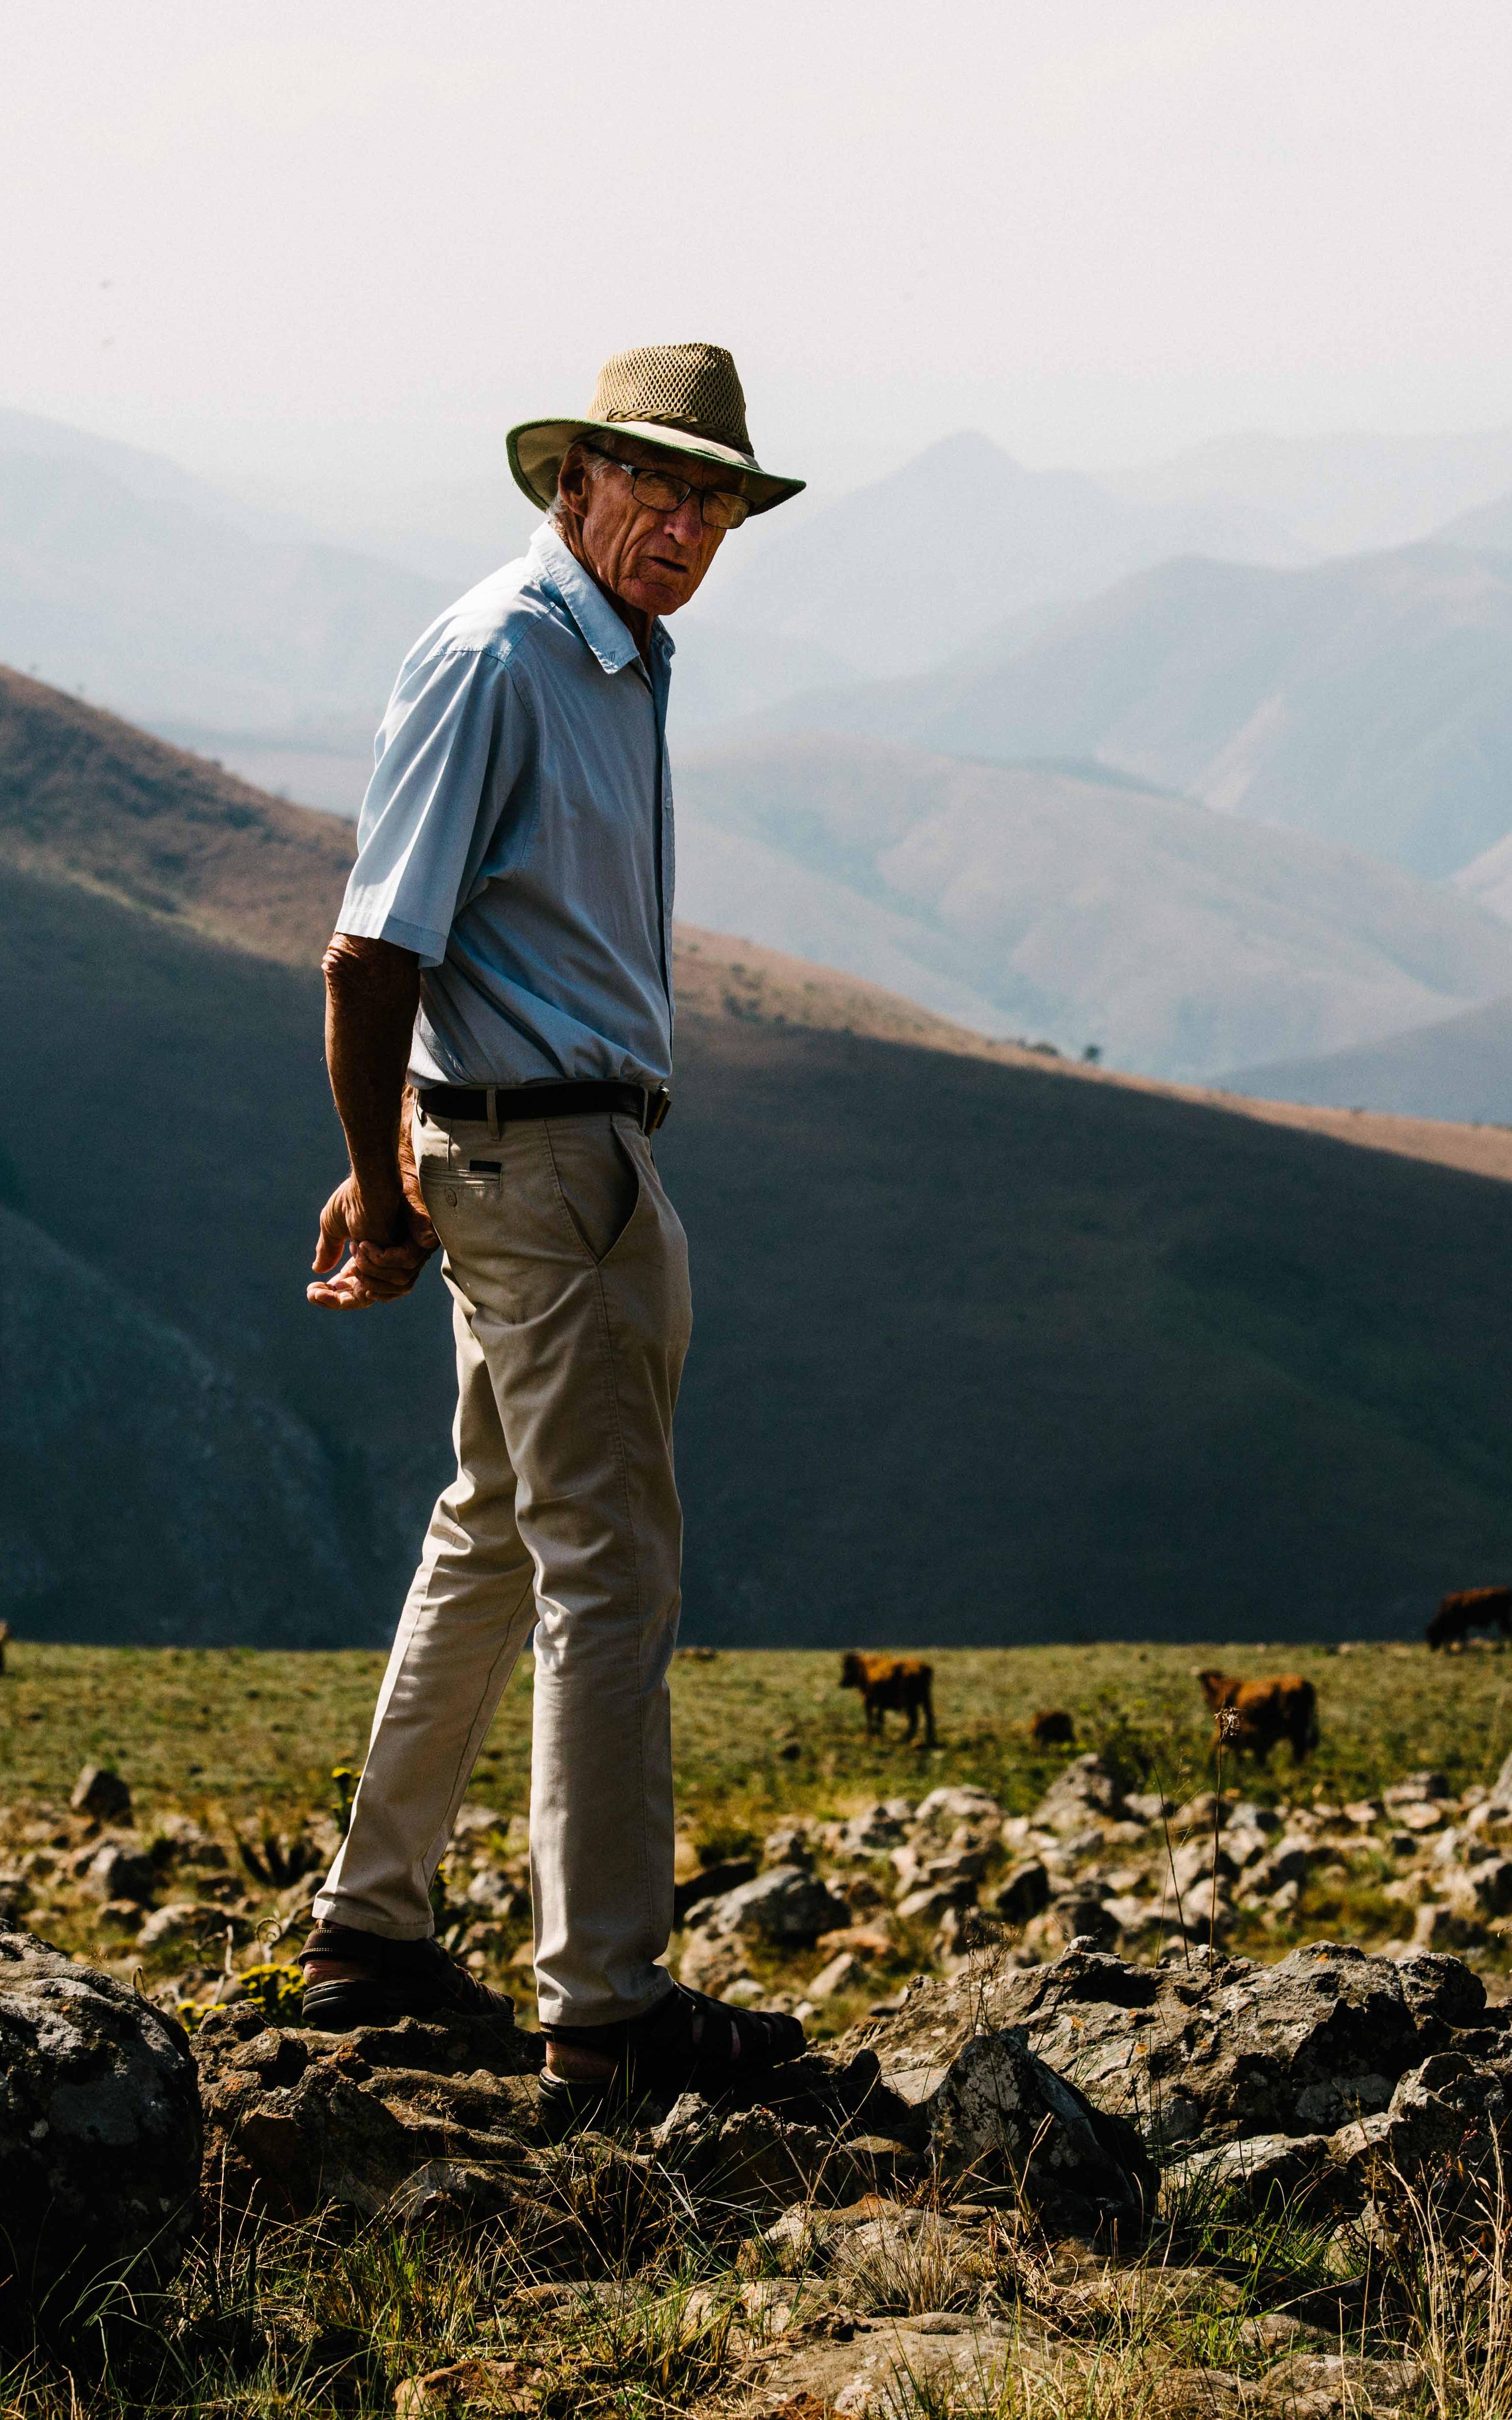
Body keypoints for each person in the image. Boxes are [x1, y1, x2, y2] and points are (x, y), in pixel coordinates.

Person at [297, 343, 808, 2133]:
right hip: (539, 1165)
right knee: (613, 1571)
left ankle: (370, 1931)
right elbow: (373, 949)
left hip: (562, 1148)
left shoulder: (618, 659)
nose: (684, 522)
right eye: (652, 485)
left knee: (499, 1530)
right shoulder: (506, 654)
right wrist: (384, 1175)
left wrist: (415, 1154)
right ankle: (608, 2012)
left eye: (715, 500)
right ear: (568, 484)